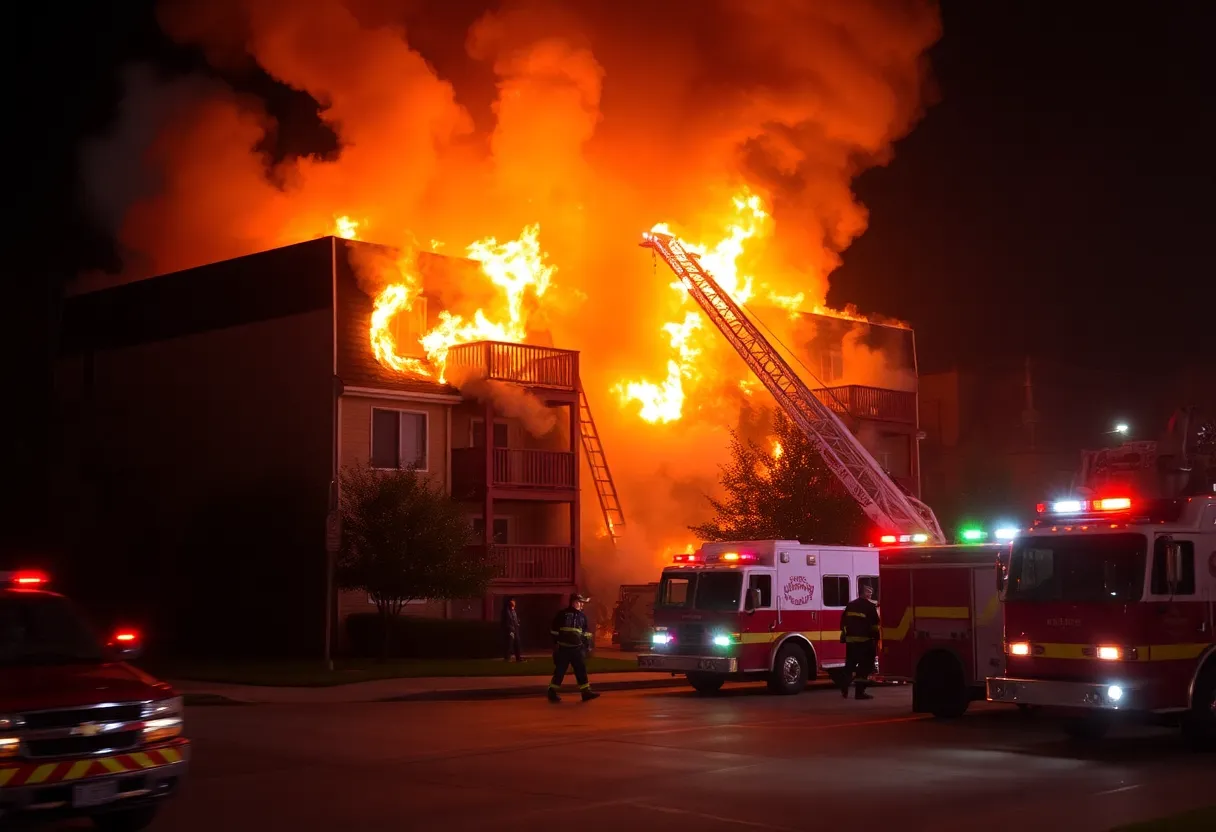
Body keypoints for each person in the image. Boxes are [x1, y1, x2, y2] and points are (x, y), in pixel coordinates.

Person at [547, 593, 600, 703]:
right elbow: (554, 631)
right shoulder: (562, 615)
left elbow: (585, 633)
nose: (582, 605)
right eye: (580, 602)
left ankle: (586, 692)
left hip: (577, 649)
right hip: (564, 649)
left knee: (581, 671)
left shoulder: (581, 616)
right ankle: (552, 691)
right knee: (560, 671)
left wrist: (587, 646)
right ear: (574, 602)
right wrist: (555, 644)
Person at [839, 583, 881, 700]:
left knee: (850, 665)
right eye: (869, 592)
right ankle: (859, 692)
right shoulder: (869, 606)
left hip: (851, 642)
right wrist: (877, 639)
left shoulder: (851, 605)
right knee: (865, 667)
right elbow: (874, 625)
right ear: (864, 593)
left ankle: (844, 686)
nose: (870, 594)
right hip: (865, 642)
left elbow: (843, 622)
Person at [501, 596, 524, 662]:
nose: (514, 602)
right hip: (510, 630)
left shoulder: (513, 610)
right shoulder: (506, 611)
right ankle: (507, 658)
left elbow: (514, 619)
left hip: (515, 629)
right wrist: (510, 628)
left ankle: (518, 658)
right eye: (512, 601)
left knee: (517, 643)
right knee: (509, 644)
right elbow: (506, 621)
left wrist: (517, 622)